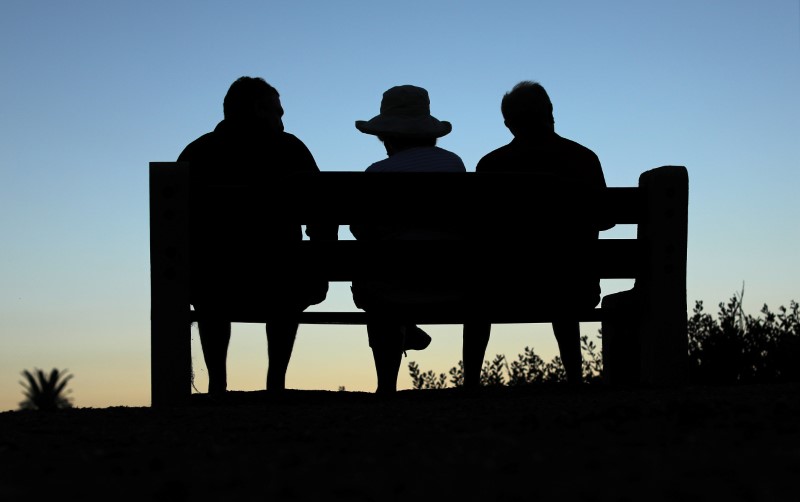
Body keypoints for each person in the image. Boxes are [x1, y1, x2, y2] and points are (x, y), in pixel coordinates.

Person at [178, 76, 338, 395]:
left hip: (210, 281)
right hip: (281, 280)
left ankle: (217, 384)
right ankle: (275, 382)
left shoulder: (196, 153)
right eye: (278, 112)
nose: (282, 120)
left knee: (211, 285)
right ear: (258, 109)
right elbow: (322, 210)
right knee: (288, 278)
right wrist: (322, 262)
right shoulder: (290, 149)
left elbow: (178, 227)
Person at [462, 81, 614, 387]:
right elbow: (606, 220)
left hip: (501, 289)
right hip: (575, 287)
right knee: (564, 279)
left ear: (508, 124)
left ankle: (471, 383)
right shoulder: (583, 159)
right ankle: (574, 378)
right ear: (550, 113)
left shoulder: (490, 166)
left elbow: (475, 229)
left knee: (478, 289)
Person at [351, 84, 467, 394]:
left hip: (389, 288)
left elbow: (361, 230)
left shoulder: (376, 174)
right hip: (453, 281)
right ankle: (473, 383)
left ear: (386, 134)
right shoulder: (453, 165)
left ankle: (386, 385)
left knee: (380, 265)